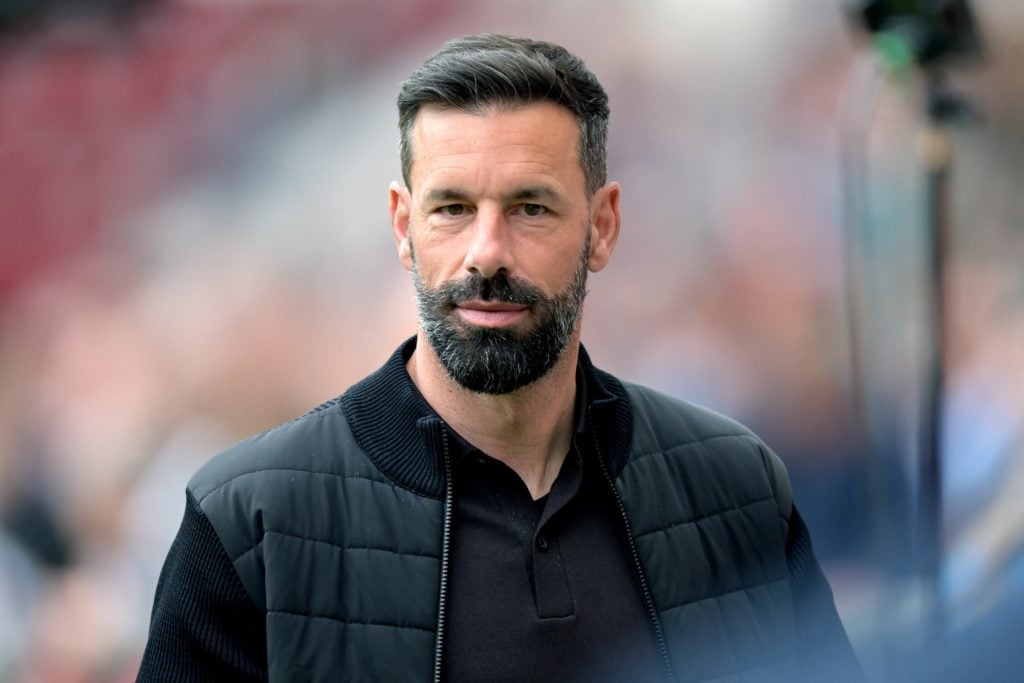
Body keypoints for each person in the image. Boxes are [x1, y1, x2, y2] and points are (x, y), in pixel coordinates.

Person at [138, 34, 863, 682]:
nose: (486, 252)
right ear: (403, 226)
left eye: (530, 208)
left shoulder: (735, 488)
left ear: (602, 226)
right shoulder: (249, 523)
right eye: (451, 208)